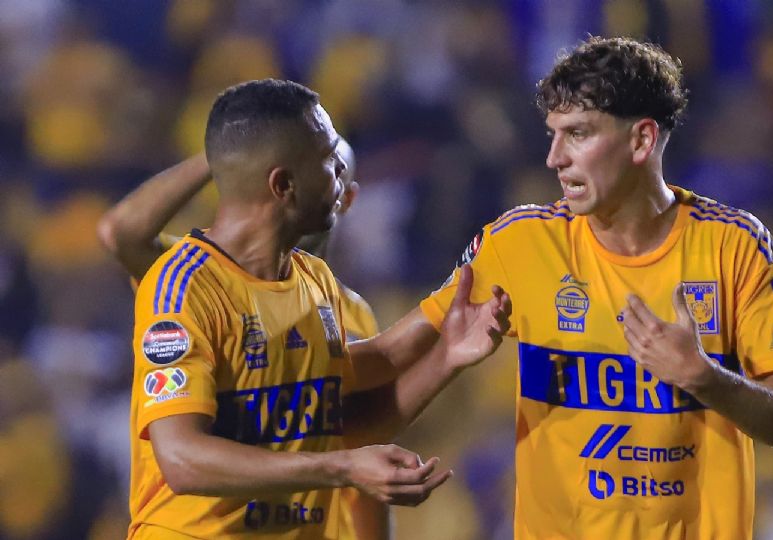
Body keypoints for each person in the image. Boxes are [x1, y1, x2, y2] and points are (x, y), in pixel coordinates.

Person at [375, 37, 773, 538]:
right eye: (553, 135)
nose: (554, 158)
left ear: (641, 141)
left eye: (578, 134)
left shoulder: (734, 247)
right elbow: (387, 360)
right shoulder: (520, 243)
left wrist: (706, 378)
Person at [119, 79, 510, 539]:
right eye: (328, 160)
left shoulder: (313, 279)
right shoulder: (183, 288)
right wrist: (341, 468)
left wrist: (449, 342)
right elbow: (183, 460)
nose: (341, 177)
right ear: (283, 184)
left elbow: (351, 410)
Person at [98, 140, 393, 539]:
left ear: (344, 193)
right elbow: (123, 232)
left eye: (327, 166)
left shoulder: (351, 312)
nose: (294, 183)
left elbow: (365, 450)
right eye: (286, 171)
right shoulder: (202, 282)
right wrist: (229, 150)